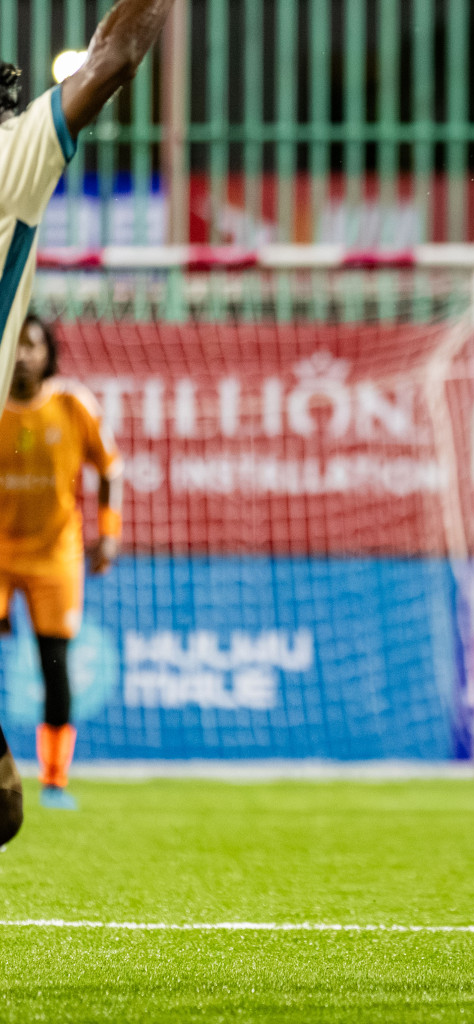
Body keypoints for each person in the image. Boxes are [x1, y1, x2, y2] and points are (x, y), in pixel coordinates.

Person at [0, 0, 175, 834]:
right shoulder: (8, 161)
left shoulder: (70, 406)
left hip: (49, 549)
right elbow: (113, 58)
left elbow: (105, 466)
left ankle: (49, 769)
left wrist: (105, 524)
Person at [0, 316, 121, 810]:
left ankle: (54, 781)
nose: (26, 354)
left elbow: (109, 469)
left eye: (35, 345)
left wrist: (109, 534)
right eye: (17, 344)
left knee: (55, 666)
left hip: (56, 556)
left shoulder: (73, 405)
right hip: (0, 556)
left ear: (49, 352)